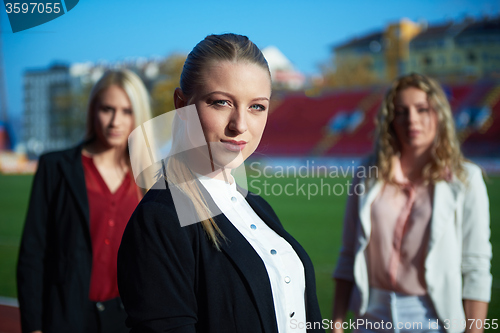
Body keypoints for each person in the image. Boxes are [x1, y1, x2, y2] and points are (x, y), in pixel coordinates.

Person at [117, 33, 324, 333]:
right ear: (181, 105)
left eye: (256, 107)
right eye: (221, 102)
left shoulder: (257, 206)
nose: (240, 124)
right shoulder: (160, 220)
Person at [331, 73, 492, 333]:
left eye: (422, 109)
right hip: (371, 317)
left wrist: (474, 330)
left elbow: (476, 265)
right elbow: (349, 253)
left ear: (439, 115)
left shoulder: (466, 178)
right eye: (401, 111)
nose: (412, 119)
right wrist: (336, 325)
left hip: (433, 318)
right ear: (390, 119)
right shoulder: (367, 173)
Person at [17, 69, 153, 333]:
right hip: (67, 315)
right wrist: (33, 327)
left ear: (139, 115)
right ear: (93, 111)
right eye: (107, 109)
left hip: (128, 320)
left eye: (127, 111)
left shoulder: (150, 178)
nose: (115, 121)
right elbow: (32, 254)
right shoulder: (55, 167)